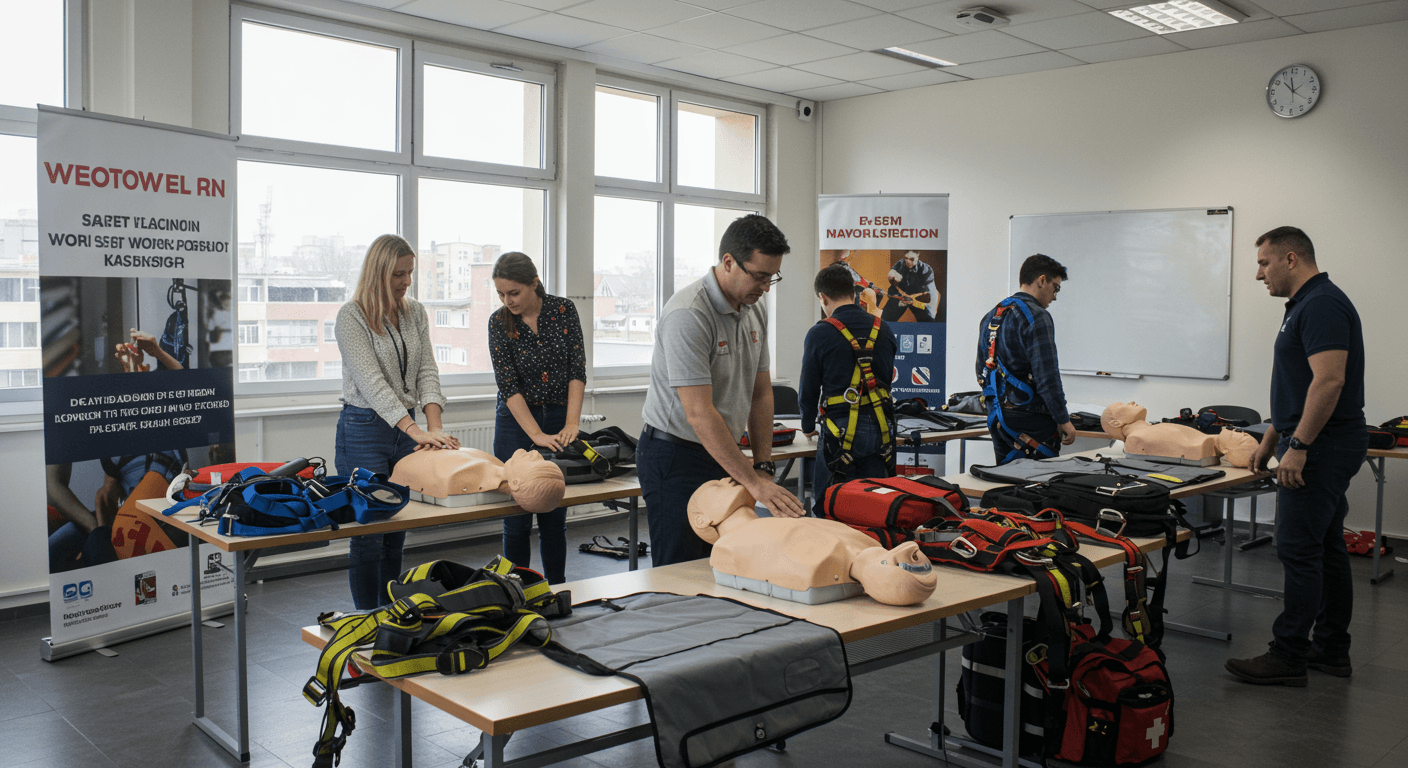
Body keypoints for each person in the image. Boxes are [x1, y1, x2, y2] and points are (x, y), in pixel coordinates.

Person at [1226, 227, 1367, 687]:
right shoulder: (1306, 304)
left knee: (1298, 550)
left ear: (1291, 259)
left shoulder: (1321, 303)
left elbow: (1329, 381)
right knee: (1326, 548)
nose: (1258, 274)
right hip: (1316, 440)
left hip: (1321, 446)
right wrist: (1272, 436)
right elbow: (1301, 383)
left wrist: (1299, 446)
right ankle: (1331, 650)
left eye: (1264, 263)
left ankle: (1288, 655)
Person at [639, 214, 806, 567]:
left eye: (772, 276)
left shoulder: (753, 309)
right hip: (676, 456)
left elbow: (760, 395)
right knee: (682, 570)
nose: (766, 287)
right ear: (728, 262)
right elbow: (699, 413)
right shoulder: (689, 314)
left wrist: (762, 466)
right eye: (759, 276)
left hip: (722, 452)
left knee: (728, 562)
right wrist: (752, 483)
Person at [335, 234, 458, 610]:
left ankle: (392, 615)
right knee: (371, 531)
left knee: (396, 530)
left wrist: (433, 428)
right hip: (363, 429)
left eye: (410, 273)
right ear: (377, 273)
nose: (406, 282)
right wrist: (415, 429)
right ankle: (366, 621)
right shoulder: (351, 316)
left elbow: (426, 371)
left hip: (406, 431)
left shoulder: (415, 312)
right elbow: (372, 384)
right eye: (398, 275)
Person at [487, 252, 585, 584]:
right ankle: (515, 592)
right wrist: (537, 435)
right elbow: (509, 385)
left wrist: (571, 423)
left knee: (552, 512)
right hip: (515, 422)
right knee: (516, 515)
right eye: (501, 294)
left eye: (513, 293)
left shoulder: (563, 310)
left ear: (534, 283)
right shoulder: (498, 322)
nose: (507, 300)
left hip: (558, 414)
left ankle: (555, 589)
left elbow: (577, 370)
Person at [799, 264, 898, 515]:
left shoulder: (820, 333)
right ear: (854, 292)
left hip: (839, 430)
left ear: (823, 297)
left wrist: (808, 425)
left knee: (830, 506)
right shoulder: (882, 329)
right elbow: (885, 379)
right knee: (876, 506)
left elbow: (808, 386)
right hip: (880, 429)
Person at [975, 253, 1076, 464]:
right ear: (1041, 280)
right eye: (1055, 287)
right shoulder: (1037, 316)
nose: (1055, 296)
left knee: (1006, 483)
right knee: (1036, 487)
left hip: (998, 418)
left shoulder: (991, 315)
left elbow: (980, 370)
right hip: (1032, 421)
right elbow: (1047, 377)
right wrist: (1063, 419)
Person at [880, 250, 937, 322]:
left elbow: (927, 295)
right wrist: (891, 276)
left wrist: (912, 299)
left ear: (918, 256)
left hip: (917, 299)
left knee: (928, 322)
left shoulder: (926, 270)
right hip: (900, 297)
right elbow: (891, 278)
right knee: (884, 321)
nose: (908, 262)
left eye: (911, 259)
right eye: (906, 258)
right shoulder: (900, 263)